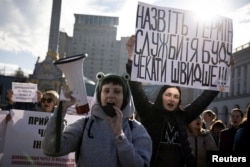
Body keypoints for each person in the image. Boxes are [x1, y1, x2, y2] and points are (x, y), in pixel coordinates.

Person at [125, 35, 219, 167]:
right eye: (168, 94)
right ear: (161, 96)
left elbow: (205, 98)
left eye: (176, 96)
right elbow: (136, 87)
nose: (172, 99)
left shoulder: (183, 115)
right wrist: (131, 58)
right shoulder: (149, 112)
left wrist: (222, 75)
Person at [42, 73, 152, 167]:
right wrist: (61, 110)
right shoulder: (84, 125)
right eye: (106, 91)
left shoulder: (136, 130)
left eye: (117, 92)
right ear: (99, 96)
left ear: (125, 97)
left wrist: (120, 136)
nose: (110, 95)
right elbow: (51, 149)